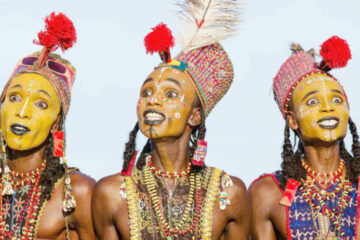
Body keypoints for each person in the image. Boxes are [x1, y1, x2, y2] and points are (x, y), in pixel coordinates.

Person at [92, 0, 249, 239]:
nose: (153, 100)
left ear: (195, 116)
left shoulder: (229, 192)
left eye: (171, 94)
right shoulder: (110, 193)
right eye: (146, 92)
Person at [249, 36, 359, 239]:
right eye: (313, 101)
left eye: (337, 99)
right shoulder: (267, 193)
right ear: (293, 121)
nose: (328, 108)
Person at [0, 12, 95, 239]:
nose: (23, 113)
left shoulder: (77, 192)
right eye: (14, 98)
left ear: (56, 122)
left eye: (41, 104)